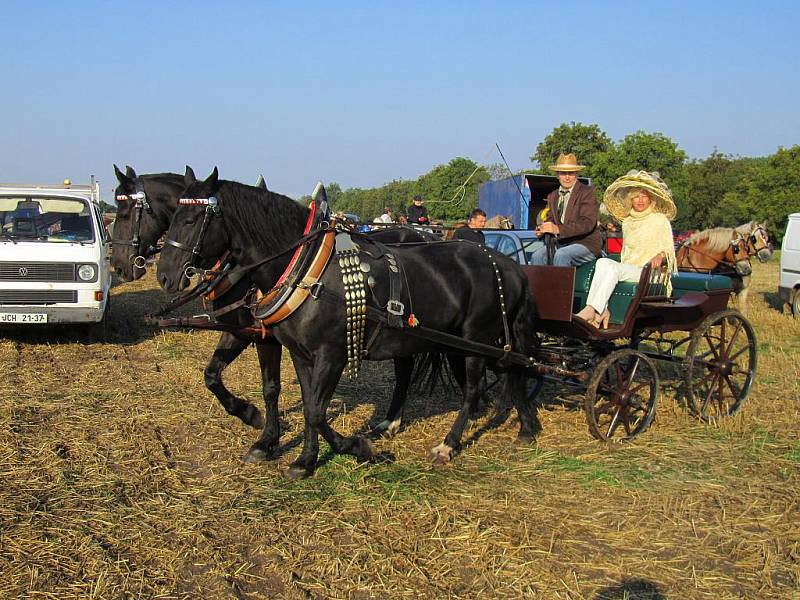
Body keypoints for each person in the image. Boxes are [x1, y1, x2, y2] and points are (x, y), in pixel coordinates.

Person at [574, 170, 677, 328]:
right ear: (630, 199)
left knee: (612, 269)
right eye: (636, 196)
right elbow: (627, 253)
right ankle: (601, 310)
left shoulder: (659, 220)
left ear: (651, 198)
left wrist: (660, 256)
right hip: (630, 269)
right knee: (602, 262)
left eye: (644, 196)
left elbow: (668, 249)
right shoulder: (628, 222)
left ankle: (591, 309)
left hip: (650, 272)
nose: (640, 200)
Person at [531, 153, 601, 266]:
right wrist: (542, 230)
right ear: (557, 175)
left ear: (576, 174)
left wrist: (558, 229)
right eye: (563, 173)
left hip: (586, 244)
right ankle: (539, 284)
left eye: (571, 173)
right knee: (537, 256)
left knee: (562, 255)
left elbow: (587, 223)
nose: (567, 177)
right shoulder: (553, 196)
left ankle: (561, 284)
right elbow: (551, 222)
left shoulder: (587, 192)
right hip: (562, 243)